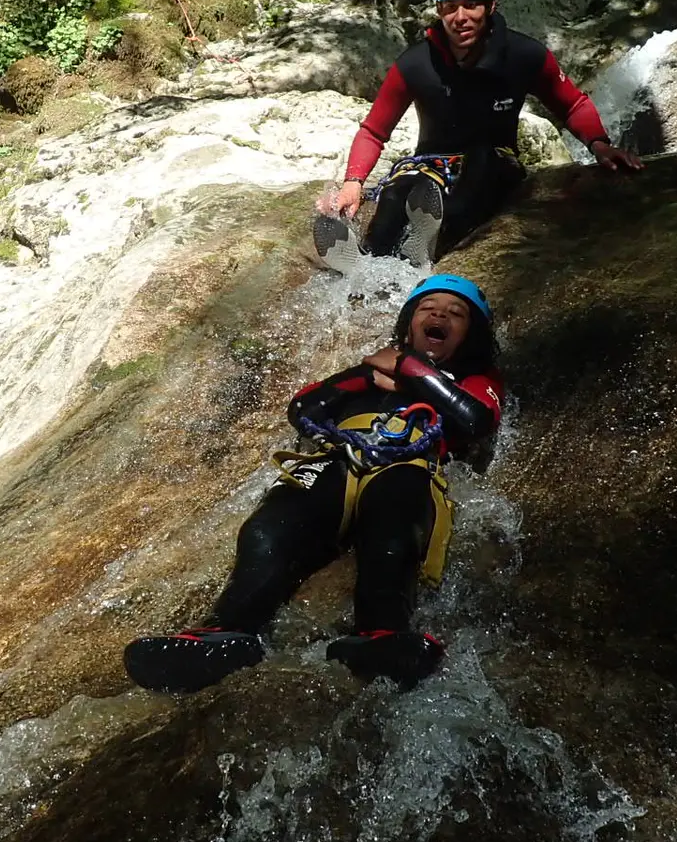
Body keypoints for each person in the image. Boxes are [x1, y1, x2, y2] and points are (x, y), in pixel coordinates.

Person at [123, 274, 503, 694]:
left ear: (469, 336)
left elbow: (476, 418)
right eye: (428, 308)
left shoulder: (472, 378)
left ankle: (381, 632)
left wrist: (408, 368)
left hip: (407, 461)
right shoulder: (369, 371)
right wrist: (367, 374)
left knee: (393, 529)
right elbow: (303, 405)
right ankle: (226, 630)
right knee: (268, 529)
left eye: (456, 313)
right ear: (410, 322)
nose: (440, 316)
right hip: (337, 457)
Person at [315, 0, 643, 267]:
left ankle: (433, 241)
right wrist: (353, 183)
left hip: (496, 162)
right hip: (430, 166)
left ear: (491, 5)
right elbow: (374, 130)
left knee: (482, 161)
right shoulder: (415, 64)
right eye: (450, 7)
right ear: (439, 10)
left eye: (471, 5)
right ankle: (370, 259)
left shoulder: (524, 55)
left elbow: (572, 104)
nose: (460, 18)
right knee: (398, 192)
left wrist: (599, 143)